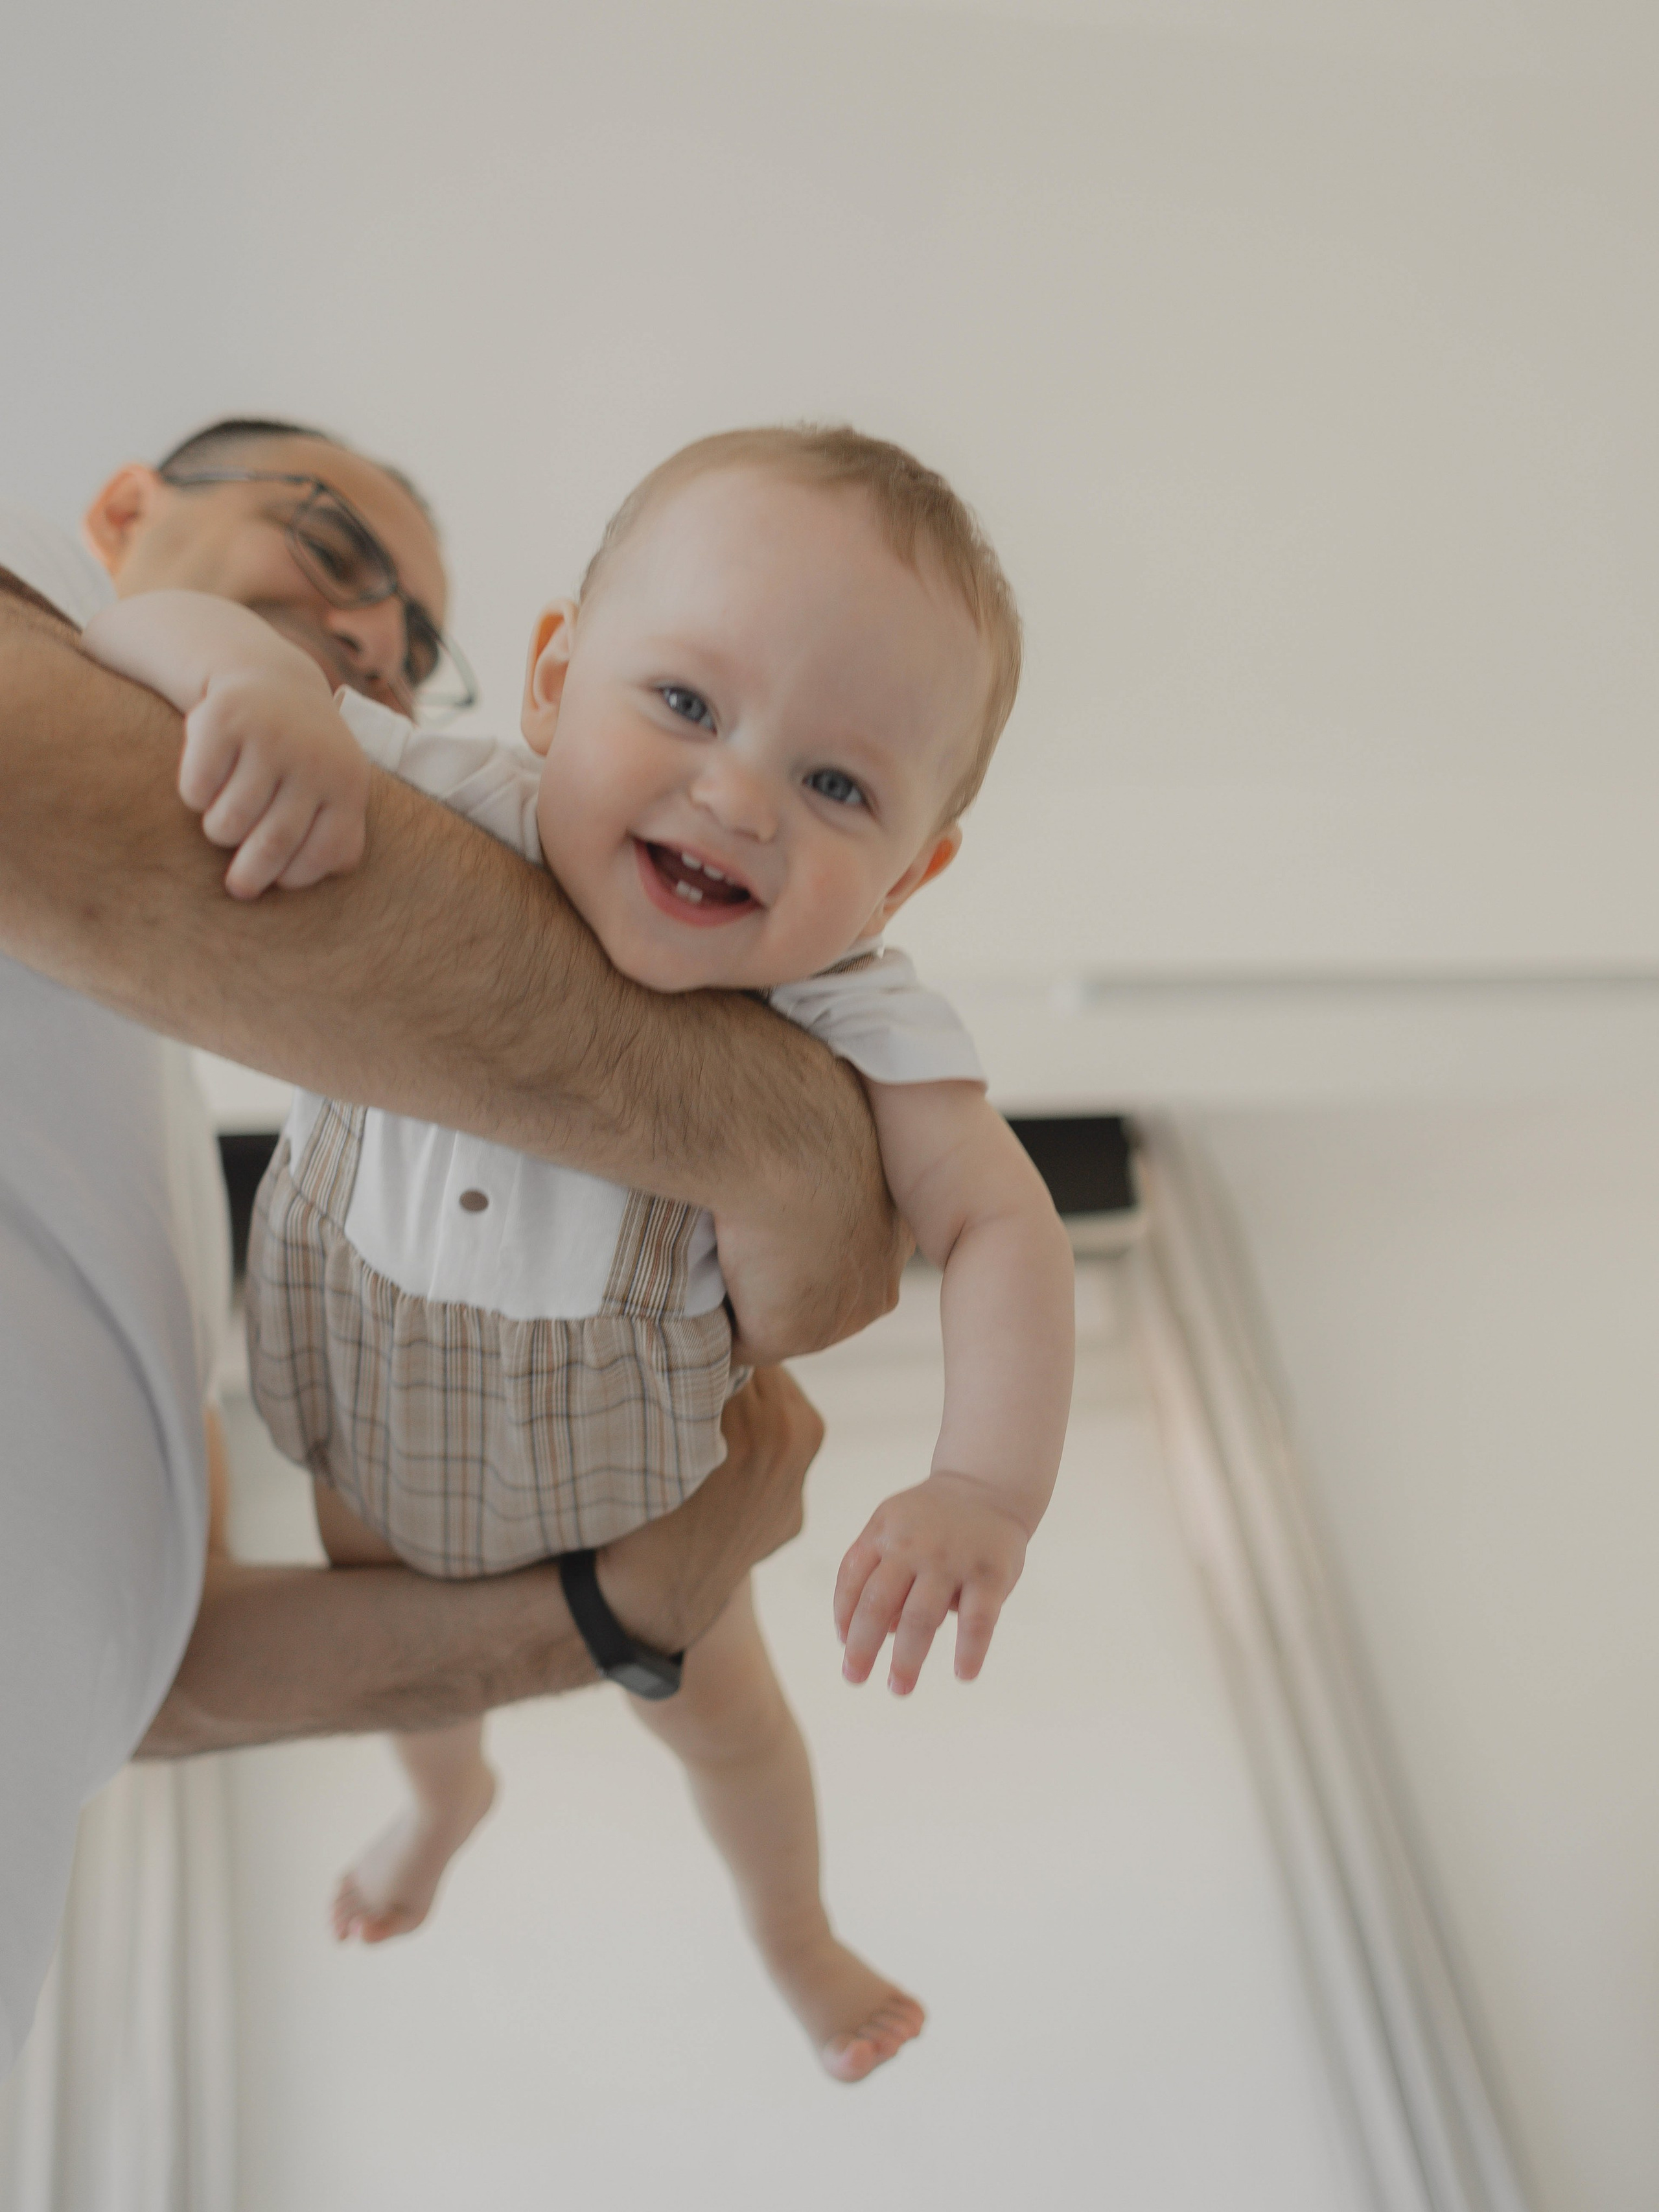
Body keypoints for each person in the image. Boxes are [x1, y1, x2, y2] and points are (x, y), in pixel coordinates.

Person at [83, 425, 1078, 2082]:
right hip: (366, 1443)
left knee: (737, 1735)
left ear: (914, 869)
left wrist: (983, 1487)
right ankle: (444, 1808)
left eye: (838, 787)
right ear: (551, 681)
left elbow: (996, 1220)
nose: (737, 795)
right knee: (410, 1686)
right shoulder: (438, 795)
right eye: (683, 705)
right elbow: (124, 636)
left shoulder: (857, 1005)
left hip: (637, 1485)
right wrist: (248, 694)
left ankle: (794, 1938)